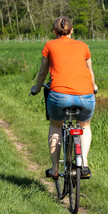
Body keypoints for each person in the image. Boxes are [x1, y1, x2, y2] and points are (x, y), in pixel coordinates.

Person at [30, 16, 97, 180]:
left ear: (54, 31)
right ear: (72, 30)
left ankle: (54, 168)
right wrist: (94, 87)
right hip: (85, 95)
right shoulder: (83, 46)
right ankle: (84, 163)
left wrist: (37, 88)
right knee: (85, 125)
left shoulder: (49, 45)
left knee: (55, 126)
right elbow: (89, 72)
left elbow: (43, 72)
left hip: (59, 96)